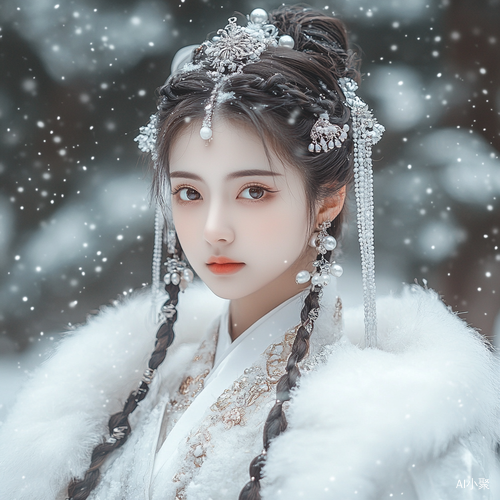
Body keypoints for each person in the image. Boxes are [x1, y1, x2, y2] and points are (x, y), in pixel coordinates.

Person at [0, 5, 499, 500]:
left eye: (254, 191)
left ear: (329, 199)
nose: (214, 230)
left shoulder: (390, 429)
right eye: (190, 194)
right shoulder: (131, 391)